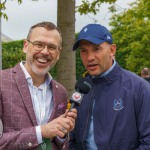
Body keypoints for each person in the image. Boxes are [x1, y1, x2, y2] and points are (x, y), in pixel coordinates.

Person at [69, 24, 150, 149]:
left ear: (112, 50)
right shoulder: (81, 90)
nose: (89, 58)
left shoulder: (140, 88)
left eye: (96, 49)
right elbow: (73, 140)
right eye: (84, 51)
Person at [0, 21, 77, 150]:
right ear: (25, 46)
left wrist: (62, 131)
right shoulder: (2, 81)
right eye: (39, 44)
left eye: (52, 47)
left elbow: (58, 142)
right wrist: (41, 132)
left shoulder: (61, 92)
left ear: (58, 53)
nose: (45, 52)